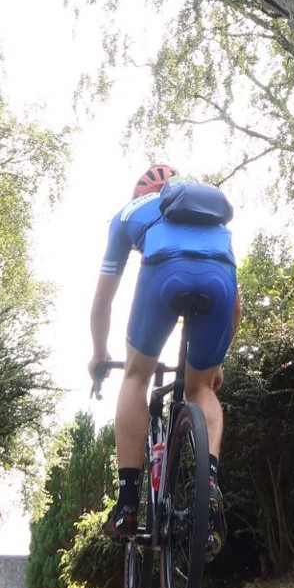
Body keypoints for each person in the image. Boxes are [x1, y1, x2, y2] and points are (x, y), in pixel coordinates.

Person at [88, 163, 238, 548]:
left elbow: (103, 301)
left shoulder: (128, 213)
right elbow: (236, 307)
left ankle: (127, 503)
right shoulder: (208, 216)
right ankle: (208, 483)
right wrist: (214, 365)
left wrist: (99, 353)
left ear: (141, 195)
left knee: (136, 375)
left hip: (163, 274)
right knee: (201, 388)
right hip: (220, 279)